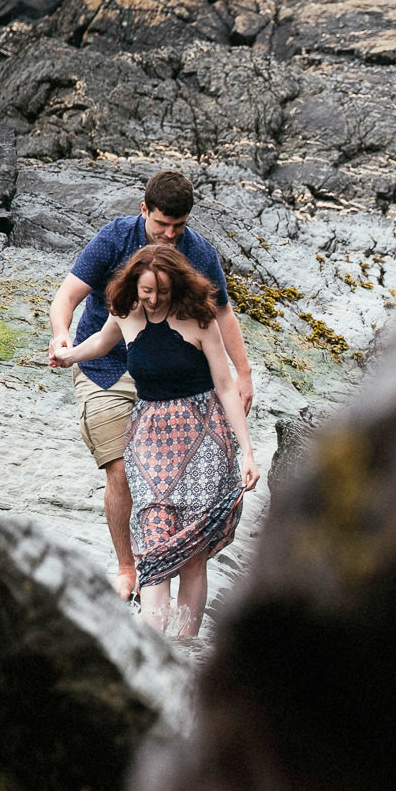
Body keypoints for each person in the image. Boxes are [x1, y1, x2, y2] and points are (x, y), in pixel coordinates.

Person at [47, 170, 254, 602]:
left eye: (178, 227)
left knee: (168, 480)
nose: (169, 235)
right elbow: (66, 297)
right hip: (103, 365)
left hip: (169, 375)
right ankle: (128, 568)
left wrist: (243, 373)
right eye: (161, 225)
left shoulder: (197, 252)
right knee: (121, 467)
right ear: (145, 211)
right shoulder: (114, 238)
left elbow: (222, 314)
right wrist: (61, 336)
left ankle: (166, 561)